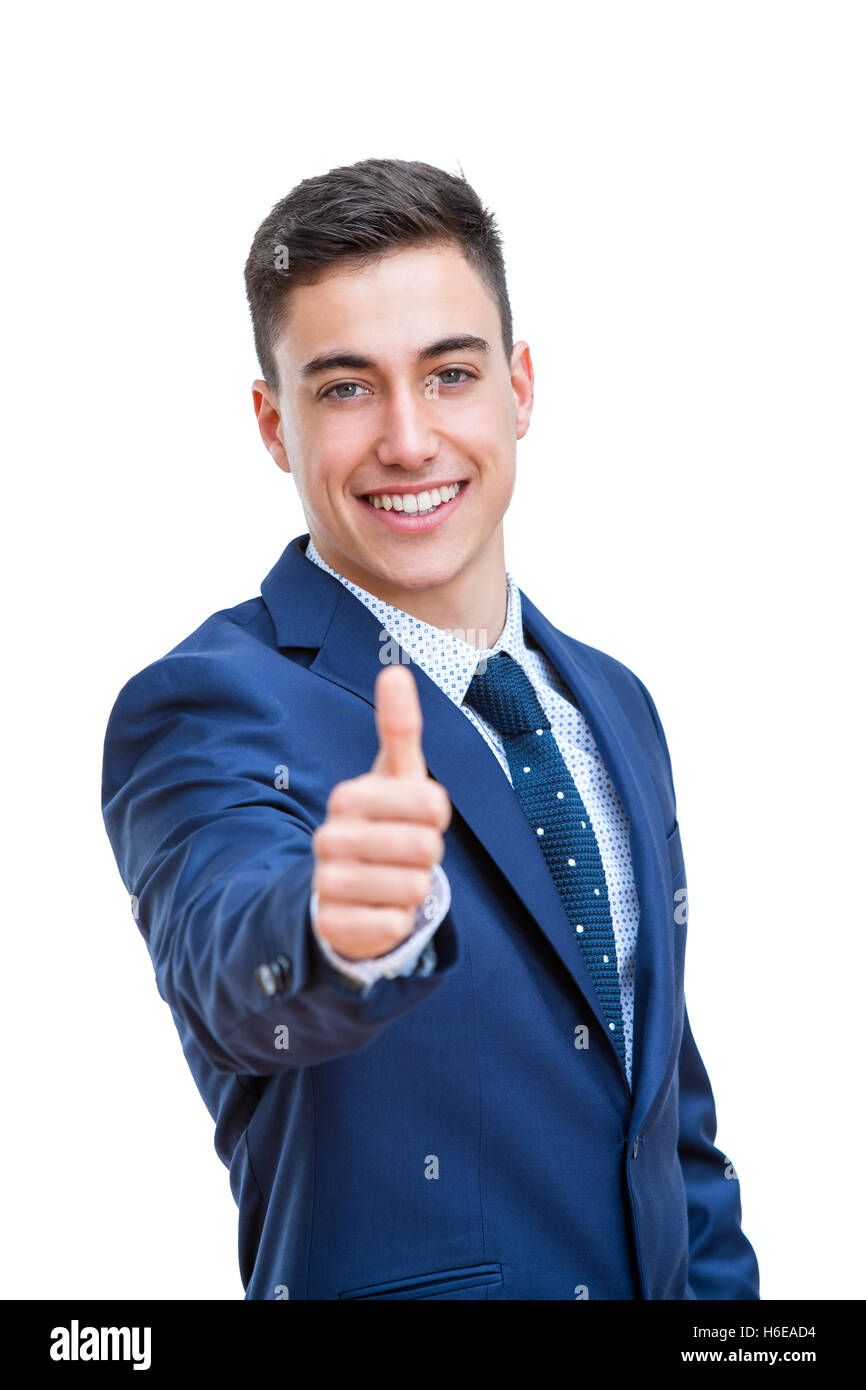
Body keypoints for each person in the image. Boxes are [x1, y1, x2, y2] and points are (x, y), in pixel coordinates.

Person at [101, 157, 759, 1300]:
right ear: (272, 423)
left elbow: (664, 1125)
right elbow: (229, 954)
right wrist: (336, 930)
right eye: (345, 388)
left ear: (519, 387)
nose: (408, 440)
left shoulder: (613, 702)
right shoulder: (205, 703)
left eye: (447, 374)